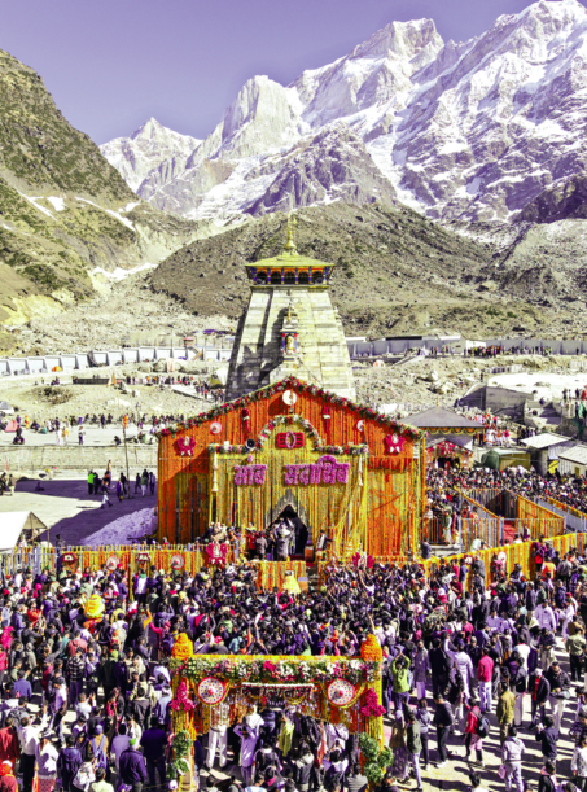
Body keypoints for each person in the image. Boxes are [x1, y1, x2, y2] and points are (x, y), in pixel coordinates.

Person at [502, 725, 524, 792]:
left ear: (509, 733)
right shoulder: (520, 742)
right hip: (518, 762)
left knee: (508, 778)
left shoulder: (506, 743)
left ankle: (509, 790)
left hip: (509, 762)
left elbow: (504, 756)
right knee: (518, 779)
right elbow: (524, 750)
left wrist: (503, 763)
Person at [406, 711, 422, 792]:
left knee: (416, 767)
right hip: (419, 747)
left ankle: (419, 787)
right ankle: (414, 773)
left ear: (409, 720)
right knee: (416, 764)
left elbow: (410, 741)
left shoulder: (411, 729)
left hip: (414, 749)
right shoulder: (418, 723)